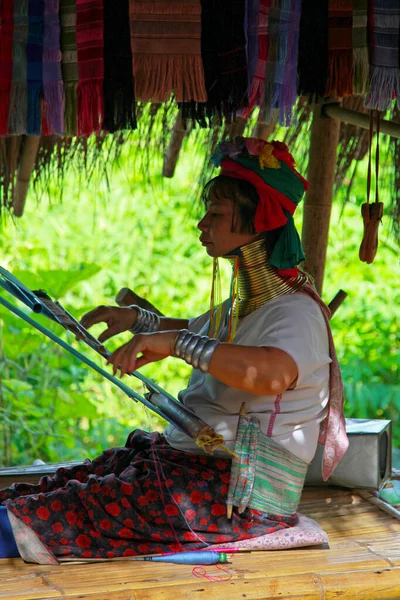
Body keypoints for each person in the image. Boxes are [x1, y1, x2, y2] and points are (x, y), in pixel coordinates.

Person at [0, 137, 347, 563]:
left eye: (216, 215)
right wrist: (139, 321)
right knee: (67, 484)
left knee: (69, 511)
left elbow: (271, 372)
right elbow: (199, 330)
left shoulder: (297, 314)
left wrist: (175, 344)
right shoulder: (245, 308)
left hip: (237, 498)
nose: (203, 224)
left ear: (258, 222)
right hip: (195, 467)